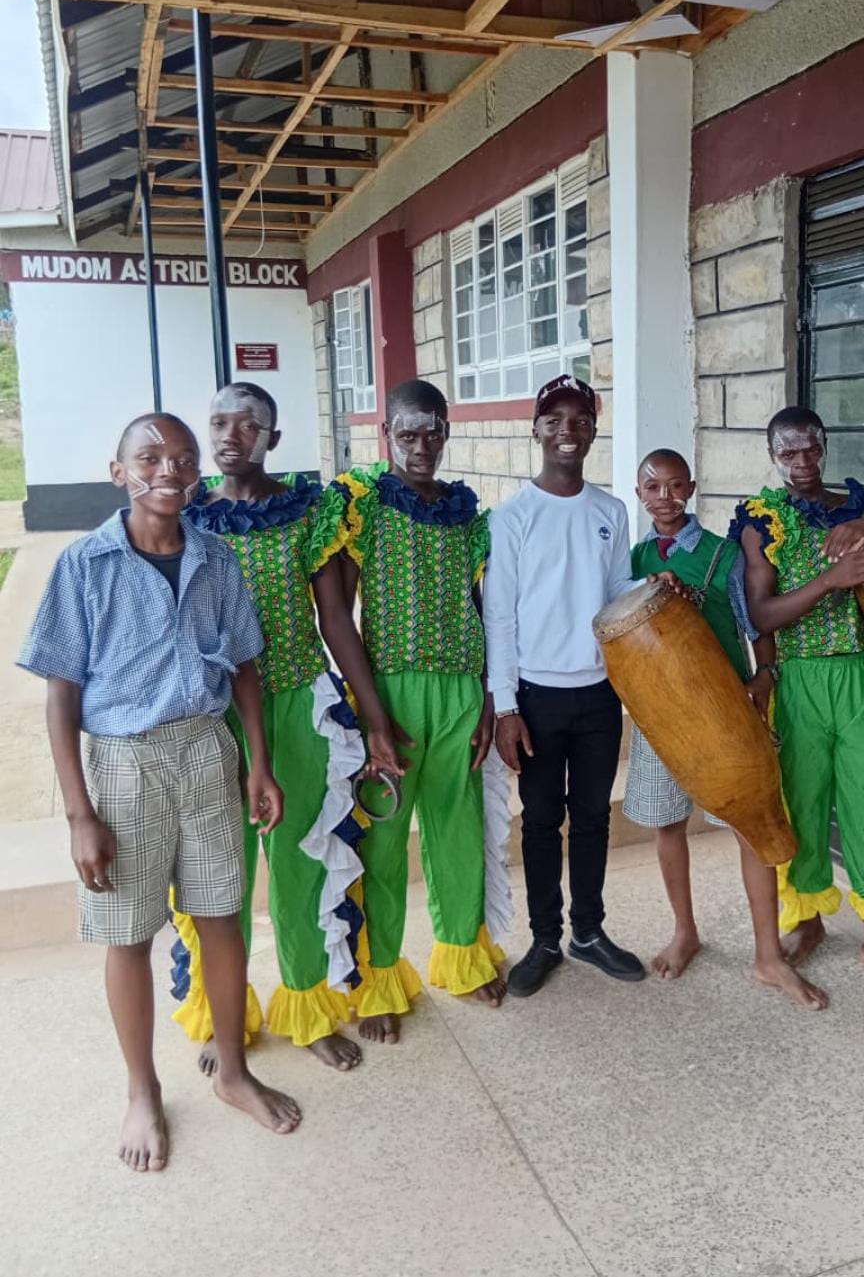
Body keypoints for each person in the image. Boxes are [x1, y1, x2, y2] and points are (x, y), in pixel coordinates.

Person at [17, 412, 301, 1174]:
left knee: (221, 916)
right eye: (149, 457)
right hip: (124, 766)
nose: (167, 469)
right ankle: (141, 1089)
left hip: (207, 754)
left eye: (182, 457)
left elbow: (244, 664)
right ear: (119, 471)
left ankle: (233, 1072)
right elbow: (61, 695)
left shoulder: (216, 559)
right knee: (130, 931)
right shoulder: (85, 565)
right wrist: (80, 813)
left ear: (198, 471)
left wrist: (258, 763)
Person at [172, 383, 404, 1073]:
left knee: (301, 865)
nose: (231, 435)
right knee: (221, 873)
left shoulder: (308, 512)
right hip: (212, 715)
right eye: (219, 422)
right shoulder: (188, 515)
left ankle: (308, 1004)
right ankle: (224, 1012)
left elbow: (336, 621)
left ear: (273, 437)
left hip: (298, 707)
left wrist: (377, 720)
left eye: (249, 424)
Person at [312, 379, 507, 1044]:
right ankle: (378, 978)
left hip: (459, 690)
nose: (421, 446)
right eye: (408, 433)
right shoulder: (360, 503)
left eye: (433, 432)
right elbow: (336, 615)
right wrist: (371, 717)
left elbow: (482, 609)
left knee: (459, 831)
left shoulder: (463, 512)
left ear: (447, 432)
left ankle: (461, 954)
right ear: (385, 434)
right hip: (388, 690)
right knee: (385, 843)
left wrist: (484, 697)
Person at [625, 448, 828, 1007]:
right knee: (668, 822)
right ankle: (685, 930)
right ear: (640, 494)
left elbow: (752, 621)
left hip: (723, 705)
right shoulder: (633, 556)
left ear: (690, 489)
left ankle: (767, 954)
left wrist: (765, 674)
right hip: (658, 708)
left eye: (674, 486)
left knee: (748, 822)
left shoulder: (721, 554)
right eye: (652, 488)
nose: (664, 497)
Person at [734, 406, 864, 982]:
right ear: (772, 456)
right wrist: (830, 579)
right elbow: (761, 613)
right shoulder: (764, 520)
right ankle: (807, 919)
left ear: (825, 446)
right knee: (803, 805)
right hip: (801, 677)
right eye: (788, 452)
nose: (802, 461)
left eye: (811, 448)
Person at [485, 374, 646, 997]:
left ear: (593, 429)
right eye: (554, 419)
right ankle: (545, 938)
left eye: (579, 419)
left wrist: (652, 593)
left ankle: (588, 931)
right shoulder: (514, 517)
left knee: (592, 821)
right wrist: (505, 708)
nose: (567, 430)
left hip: (599, 694)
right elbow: (499, 616)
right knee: (542, 819)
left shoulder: (610, 511)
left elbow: (613, 595)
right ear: (536, 430)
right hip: (536, 696)